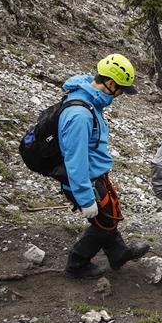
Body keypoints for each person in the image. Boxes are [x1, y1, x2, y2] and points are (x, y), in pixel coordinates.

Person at [61, 54, 151, 278]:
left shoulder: (89, 101)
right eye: (120, 90)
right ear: (110, 84)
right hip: (87, 180)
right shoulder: (80, 115)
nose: (119, 95)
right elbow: (75, 160)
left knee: (108, 216)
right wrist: (85, 198)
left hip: (95, 176)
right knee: (105, 223)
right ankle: (77, 264)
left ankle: (118, 253)